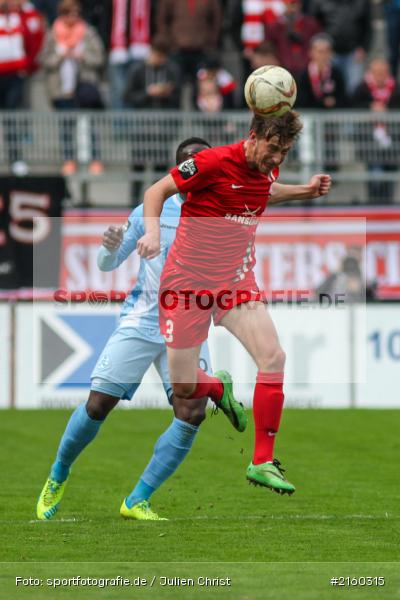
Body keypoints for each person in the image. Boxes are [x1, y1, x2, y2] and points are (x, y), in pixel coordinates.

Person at [36, 138, 247, 522]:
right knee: (99, 404)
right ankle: (58, 473)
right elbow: (108, 262)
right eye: (188, 164)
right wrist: (108, 247)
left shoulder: (221, 214)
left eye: (201, 163)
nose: (194, 171)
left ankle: (137, 499)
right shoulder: (152, 209)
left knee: (192, 412)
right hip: (142, 320)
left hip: (188, 322)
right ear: (179, 169)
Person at [137, 112, 331, 496]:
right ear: (253, 137)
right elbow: (155, 191)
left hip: (234, 281)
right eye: (273, 149)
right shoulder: (213, 162)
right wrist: (153, 233)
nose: (277, 158)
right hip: (187, 283)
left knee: (273, 358)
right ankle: (217, 389)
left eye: (285, 152)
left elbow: (266, 190)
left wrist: (305, 192)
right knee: (184, 387)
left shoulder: (267, 168)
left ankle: (262, 461)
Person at [40, 0, 105, 175]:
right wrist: (60, 56)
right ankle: (69, 159)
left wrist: (82, 55)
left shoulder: (88, 32)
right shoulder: (52, 33)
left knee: (91, 125)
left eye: (76, 13)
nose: (73, 17)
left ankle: (95, 159)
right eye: (69, 13)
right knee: (66, 127)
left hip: (84, 88)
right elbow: (44, 60)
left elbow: (99, 58)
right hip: (61, 89)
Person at [351, 57, 400, 204]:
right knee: (374, 173)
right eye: (377, 72)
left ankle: (388, 202)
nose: (380, 76)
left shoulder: (396, 89)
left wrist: (388, 111)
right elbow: (352, 106)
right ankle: (374, 201)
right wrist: (369, 108)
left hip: (392, 142)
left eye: (383, 72)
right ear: (371, 73)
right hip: (369, 141)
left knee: (390, 173)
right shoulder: (361, 88)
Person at [309, 0, 372, 93]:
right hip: (330, 53)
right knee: (330, 90)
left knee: (353, 89)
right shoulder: (321, 2)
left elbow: (367, 26)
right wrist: (322, 47)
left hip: (353, 53)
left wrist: (364, 48)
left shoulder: (361, 2)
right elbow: (315, 24)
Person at [265, 0, 321, 81]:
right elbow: (269, 49)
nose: (292, 8)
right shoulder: (275, 26)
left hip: (307, 71)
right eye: (289, 4)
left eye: (295, 4)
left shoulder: (310, 24)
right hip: (282, 71)